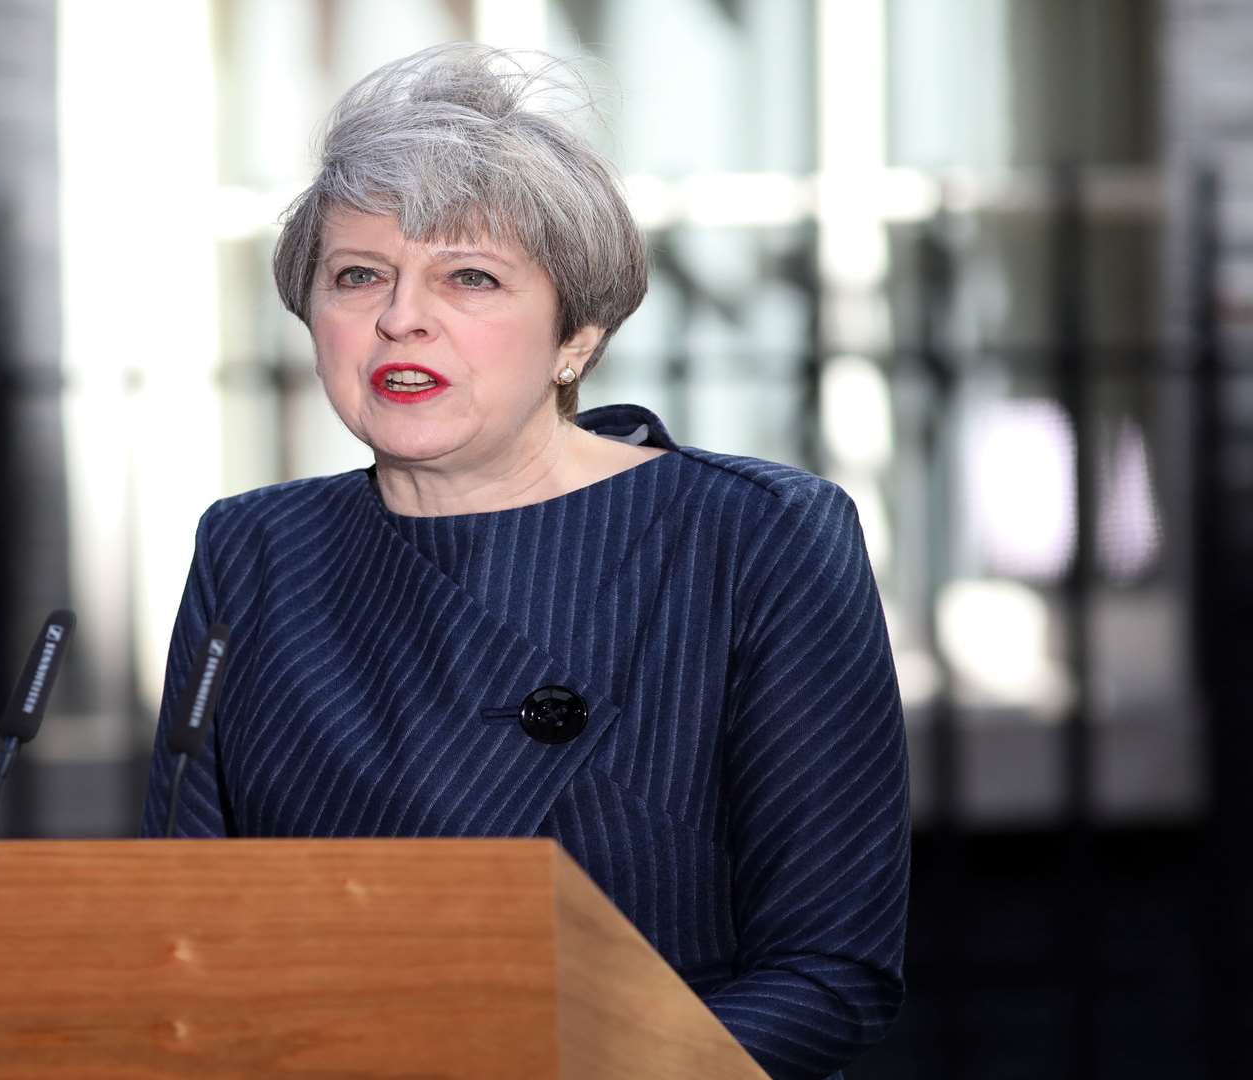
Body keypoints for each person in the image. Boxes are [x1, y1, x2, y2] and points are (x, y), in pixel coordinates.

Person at [139, 44, 907, 1080]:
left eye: (470, 277)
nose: (402, 316)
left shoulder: (754, 535)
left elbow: (829, 972)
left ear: (576, 337)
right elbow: (186, 940)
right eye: (359, 275)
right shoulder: (254, 550)